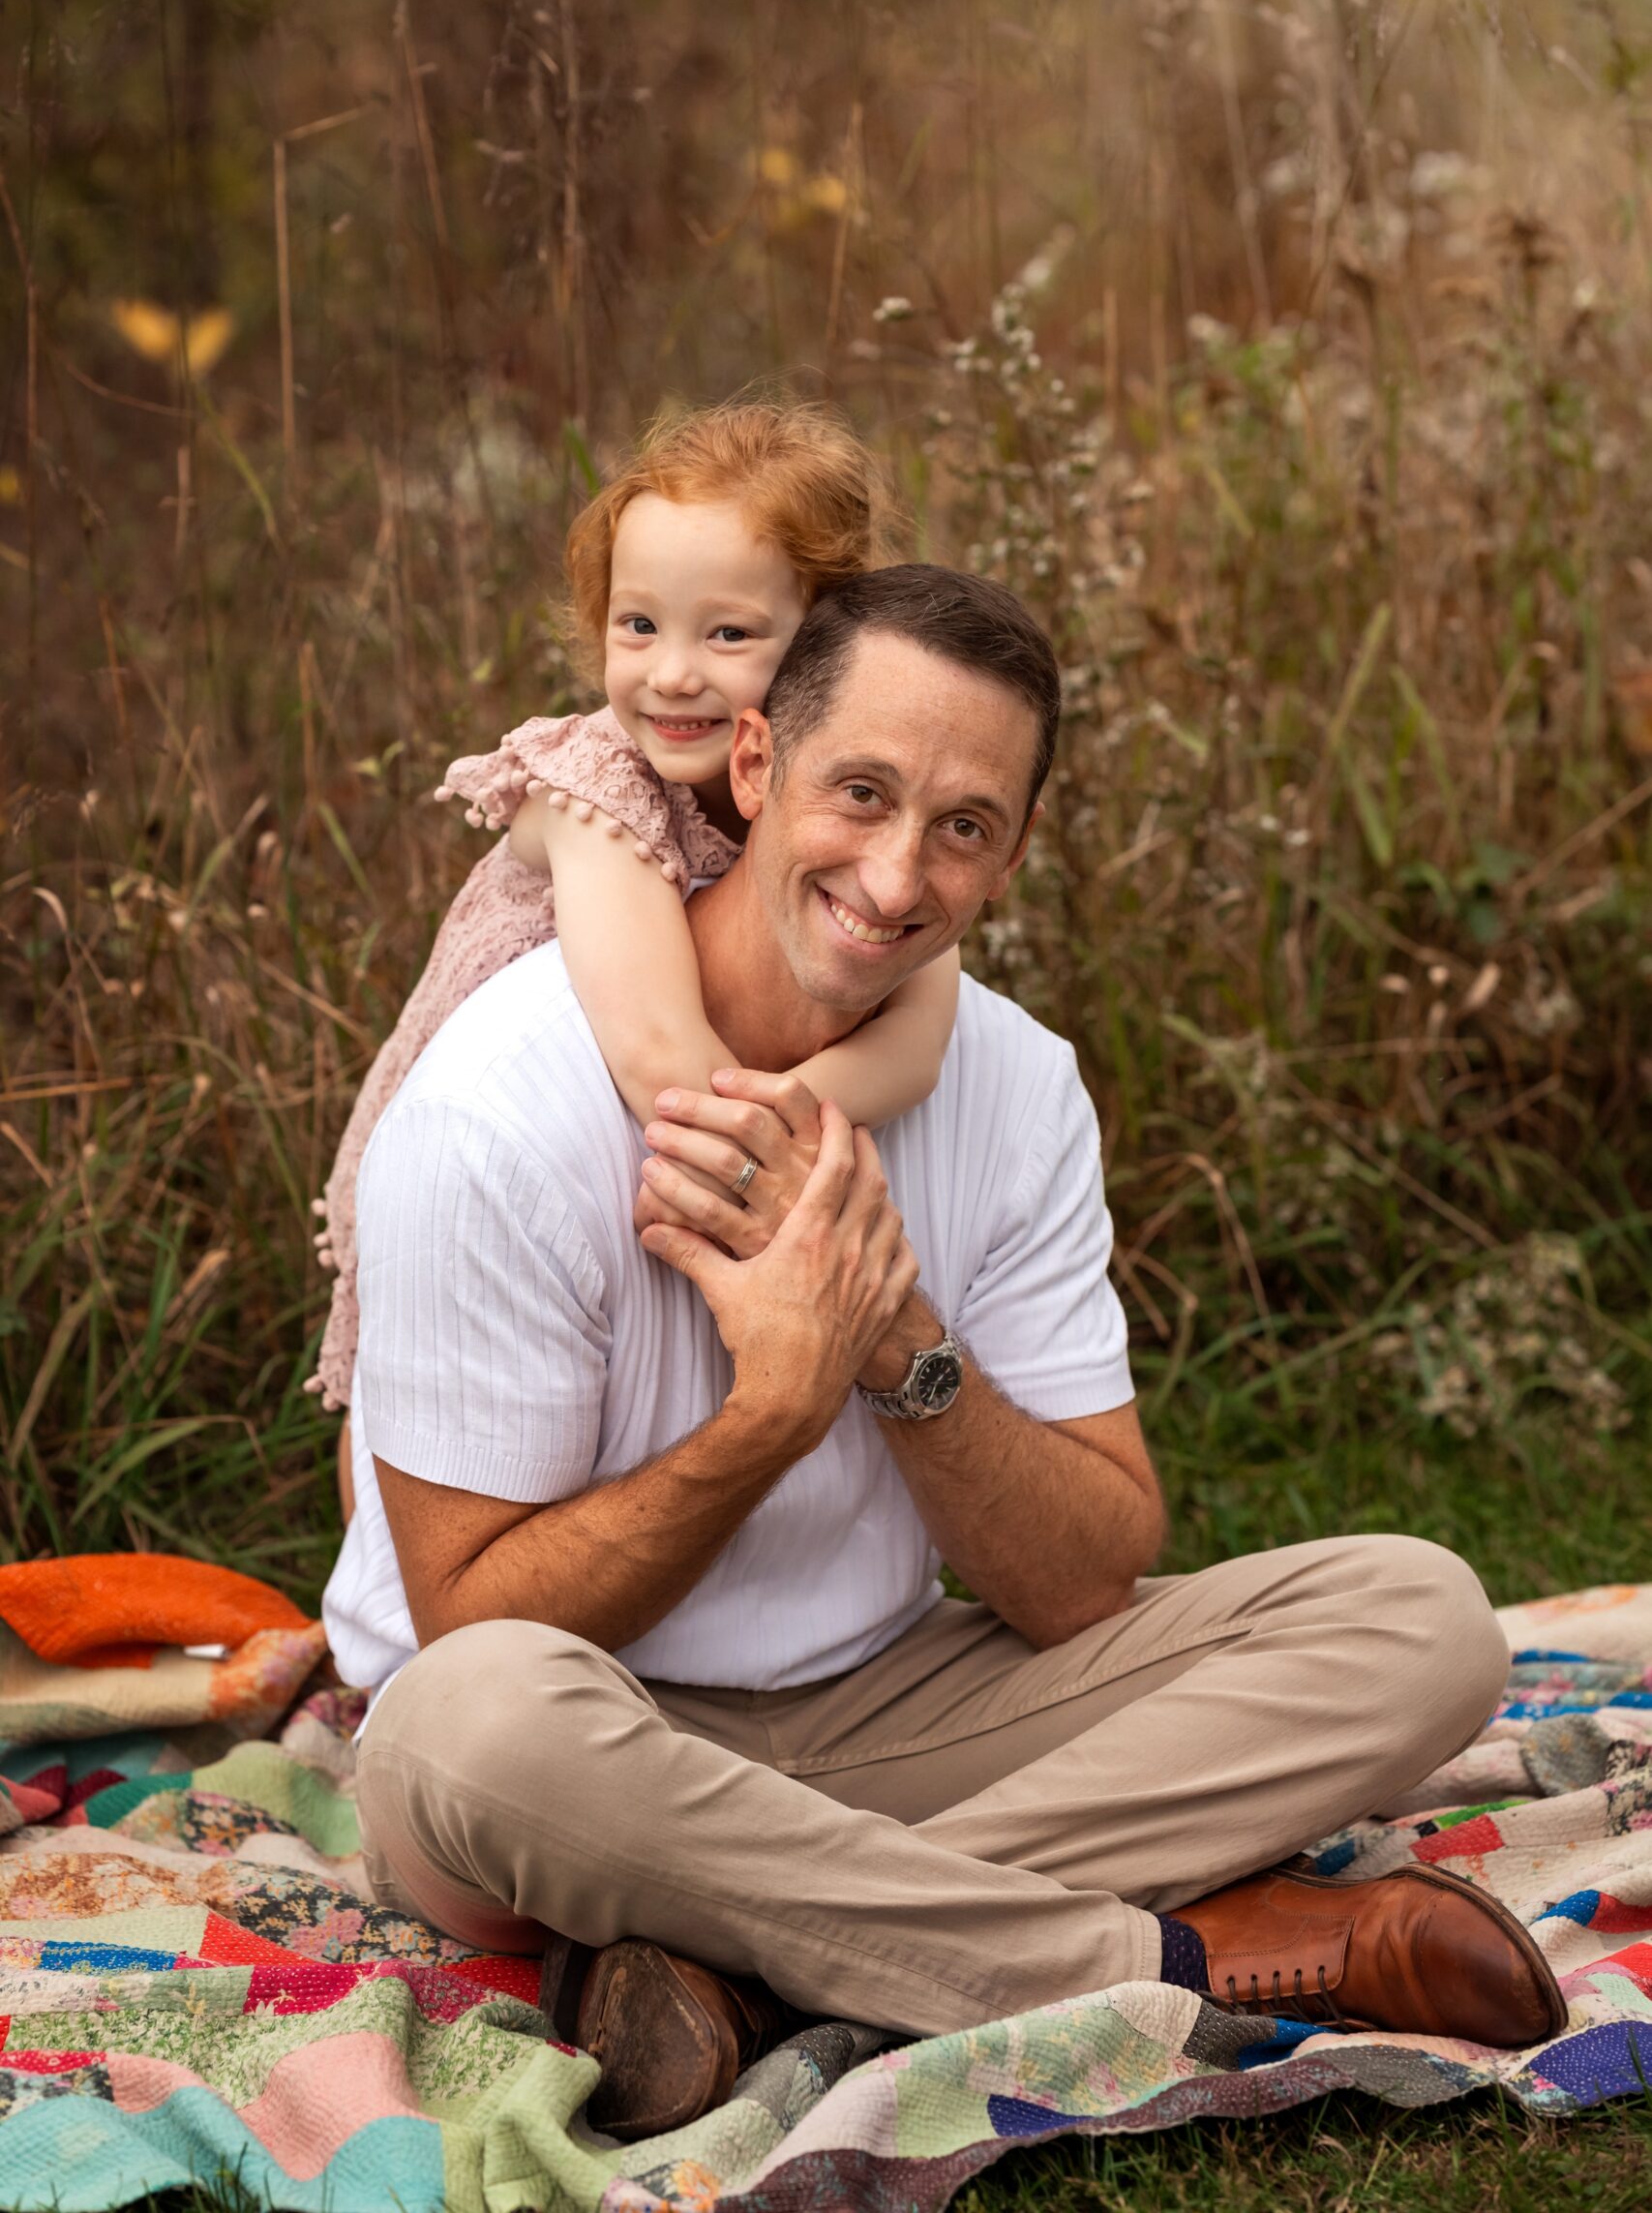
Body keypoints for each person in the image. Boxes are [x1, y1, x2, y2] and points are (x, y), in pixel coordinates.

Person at [322, 564, 1564, 2145]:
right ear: (756, 765)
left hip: (877, 1716)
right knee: (466, 1719)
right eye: (861, 793)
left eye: (963, 827)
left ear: (1013, 853)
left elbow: (1077, 1580)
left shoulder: (1019, 1089)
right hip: (573, 1763)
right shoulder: (495, 1111)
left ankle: (757, 1968)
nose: (898, 876)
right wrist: (770, 1410)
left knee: (1421, 1619)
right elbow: (469, 1618)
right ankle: (1181, 1964)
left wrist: (895, 1343)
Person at [304, 399, 957, 1513]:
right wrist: (783, 1144)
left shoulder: (825, 804)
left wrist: (776, 1120)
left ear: (829, 644)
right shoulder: (592, 792)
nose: (671, 675)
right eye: (638, 625)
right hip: (475, 1156)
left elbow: (922, 1024)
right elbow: (666, 1066)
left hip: (663, 1144)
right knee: (413, 1423)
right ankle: (382, 1637)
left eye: (729, 634)